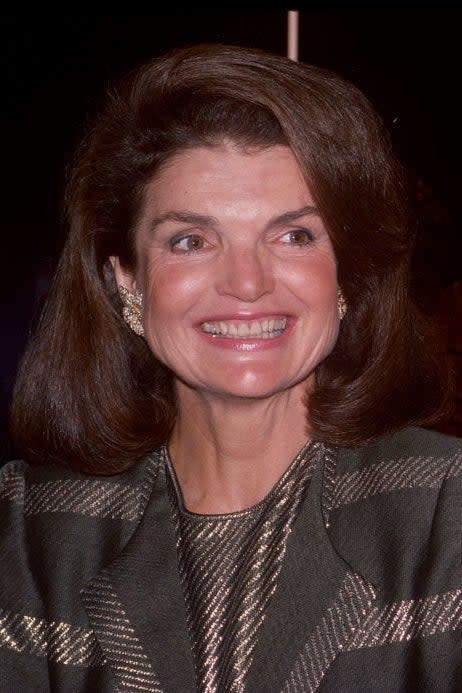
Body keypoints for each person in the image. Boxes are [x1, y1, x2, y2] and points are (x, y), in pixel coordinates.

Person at [1, 43, 461, 693]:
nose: (246, 282)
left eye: (294, 235)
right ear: (126, 280)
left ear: (347, 274)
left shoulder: (445, 515)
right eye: (191, 240)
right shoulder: (28, 531)